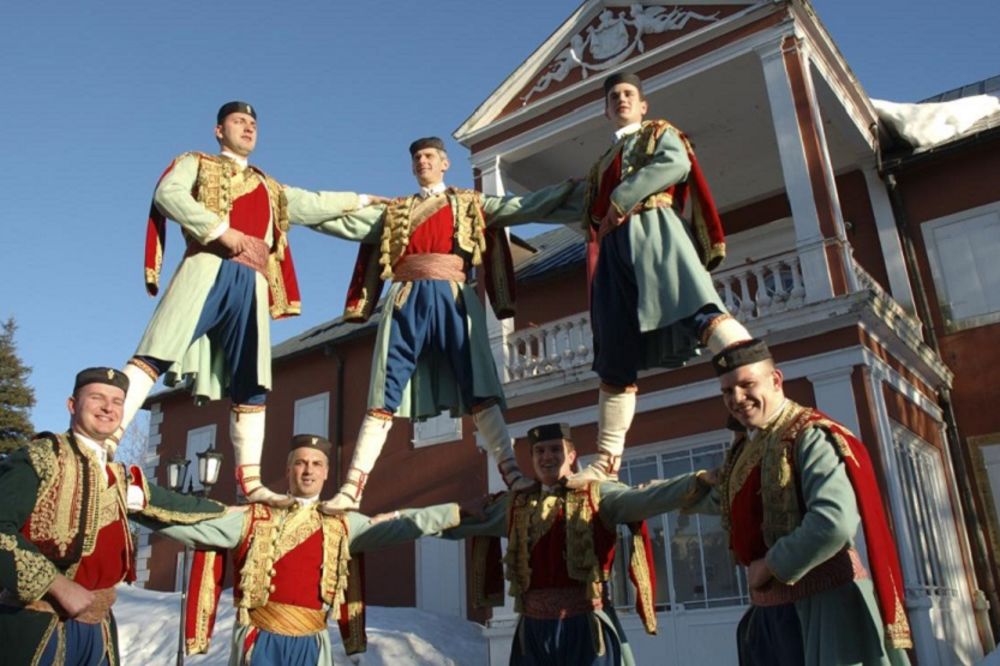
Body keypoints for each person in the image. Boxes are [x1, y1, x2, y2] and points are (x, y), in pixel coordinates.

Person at [111, 101, 384, 507]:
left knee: (252, 381)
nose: (248, 128)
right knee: (156, 350)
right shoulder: (195, 162)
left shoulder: (271, 187)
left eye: (253, 123)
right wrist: (219, 230)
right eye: (239, 121)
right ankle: (105, 442)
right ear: (219, 130)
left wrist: (363, 200)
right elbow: (167, 193)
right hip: (207, 264)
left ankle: (251, 484)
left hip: (253, 281)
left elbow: (314, 203)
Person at [295, 137, 580, 513]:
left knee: (478, 381)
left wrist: (573, 191)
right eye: (416, 158)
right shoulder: (395, 212)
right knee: (384, 391)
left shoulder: (469, 204)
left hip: (454, 298)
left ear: (445, 163)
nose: (422, 162)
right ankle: (352, 487)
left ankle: (511, 472)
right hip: (405, 299)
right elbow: (345, 225)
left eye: (429, 156)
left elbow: (523, 206)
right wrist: (295, 211)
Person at [567, 71, 751, 488]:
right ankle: (607, 460)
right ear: (605, 109)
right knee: (613, 350)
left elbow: (676, 163)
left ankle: (761, 390)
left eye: (629, 94)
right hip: (613, 252)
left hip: (653, 229)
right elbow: (580, 207)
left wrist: (619, 198)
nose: (621, 100)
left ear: (643, 104)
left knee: (696, 306)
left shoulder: (659, 132)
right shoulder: (600, 165)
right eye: (614, 96)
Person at [687, 339, 912, 664]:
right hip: (773, 618)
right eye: (726, 391)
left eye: (746, 384)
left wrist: (770, 565)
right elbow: (727, 502)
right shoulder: (752, 447)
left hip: (826, 612)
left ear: (776, 380)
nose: (736, 399)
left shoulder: (811, 435)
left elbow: (833, 522)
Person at [148, 433, 462, 666]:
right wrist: (137, 505)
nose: (308, 471)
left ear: (326, 473)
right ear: (288, 471)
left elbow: (399, 529)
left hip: (312, 642)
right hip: (261, 640)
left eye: (316, 464)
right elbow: (195, 524)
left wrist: (452, 514)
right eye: (300, 463)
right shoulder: (254, 516)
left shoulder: (342, 524)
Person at [0, 367, 227, 666]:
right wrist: (57, 585)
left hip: (98, 628)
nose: (108, 408)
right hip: (38, 623)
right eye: (97, 398)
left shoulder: (118, 476)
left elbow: (172, 503)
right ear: (72, 405)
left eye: (117, 401)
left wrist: (228, 510)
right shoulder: (41, 457)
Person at [444, 422, 710, 666]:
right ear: (533, 459)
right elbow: (462, 521)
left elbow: (648, 499)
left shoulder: (598, 494)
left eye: (555, 450)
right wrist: (407, 521)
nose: (547, 457)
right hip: (533, 631)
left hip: (585, 627)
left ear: (571, 456)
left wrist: (696, 481)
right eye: (539, 451)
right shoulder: (516, 504)